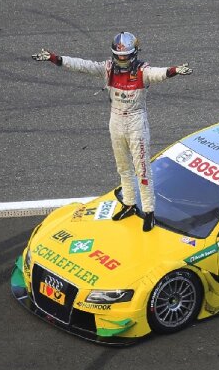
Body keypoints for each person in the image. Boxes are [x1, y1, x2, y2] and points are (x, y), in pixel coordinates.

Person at [32, 31, 192, 231]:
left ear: (134, 54)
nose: (121, 59)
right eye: (119, 55)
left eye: (125, 56)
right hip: (115, 120)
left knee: (142, 169)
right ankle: (130, 203)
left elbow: (159, 73)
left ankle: (149, 211)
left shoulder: (143, 71)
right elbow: (83, 65)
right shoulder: (108, 68)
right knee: (123, 167)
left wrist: (174, 70)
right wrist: (55, 59)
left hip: (136, 121)